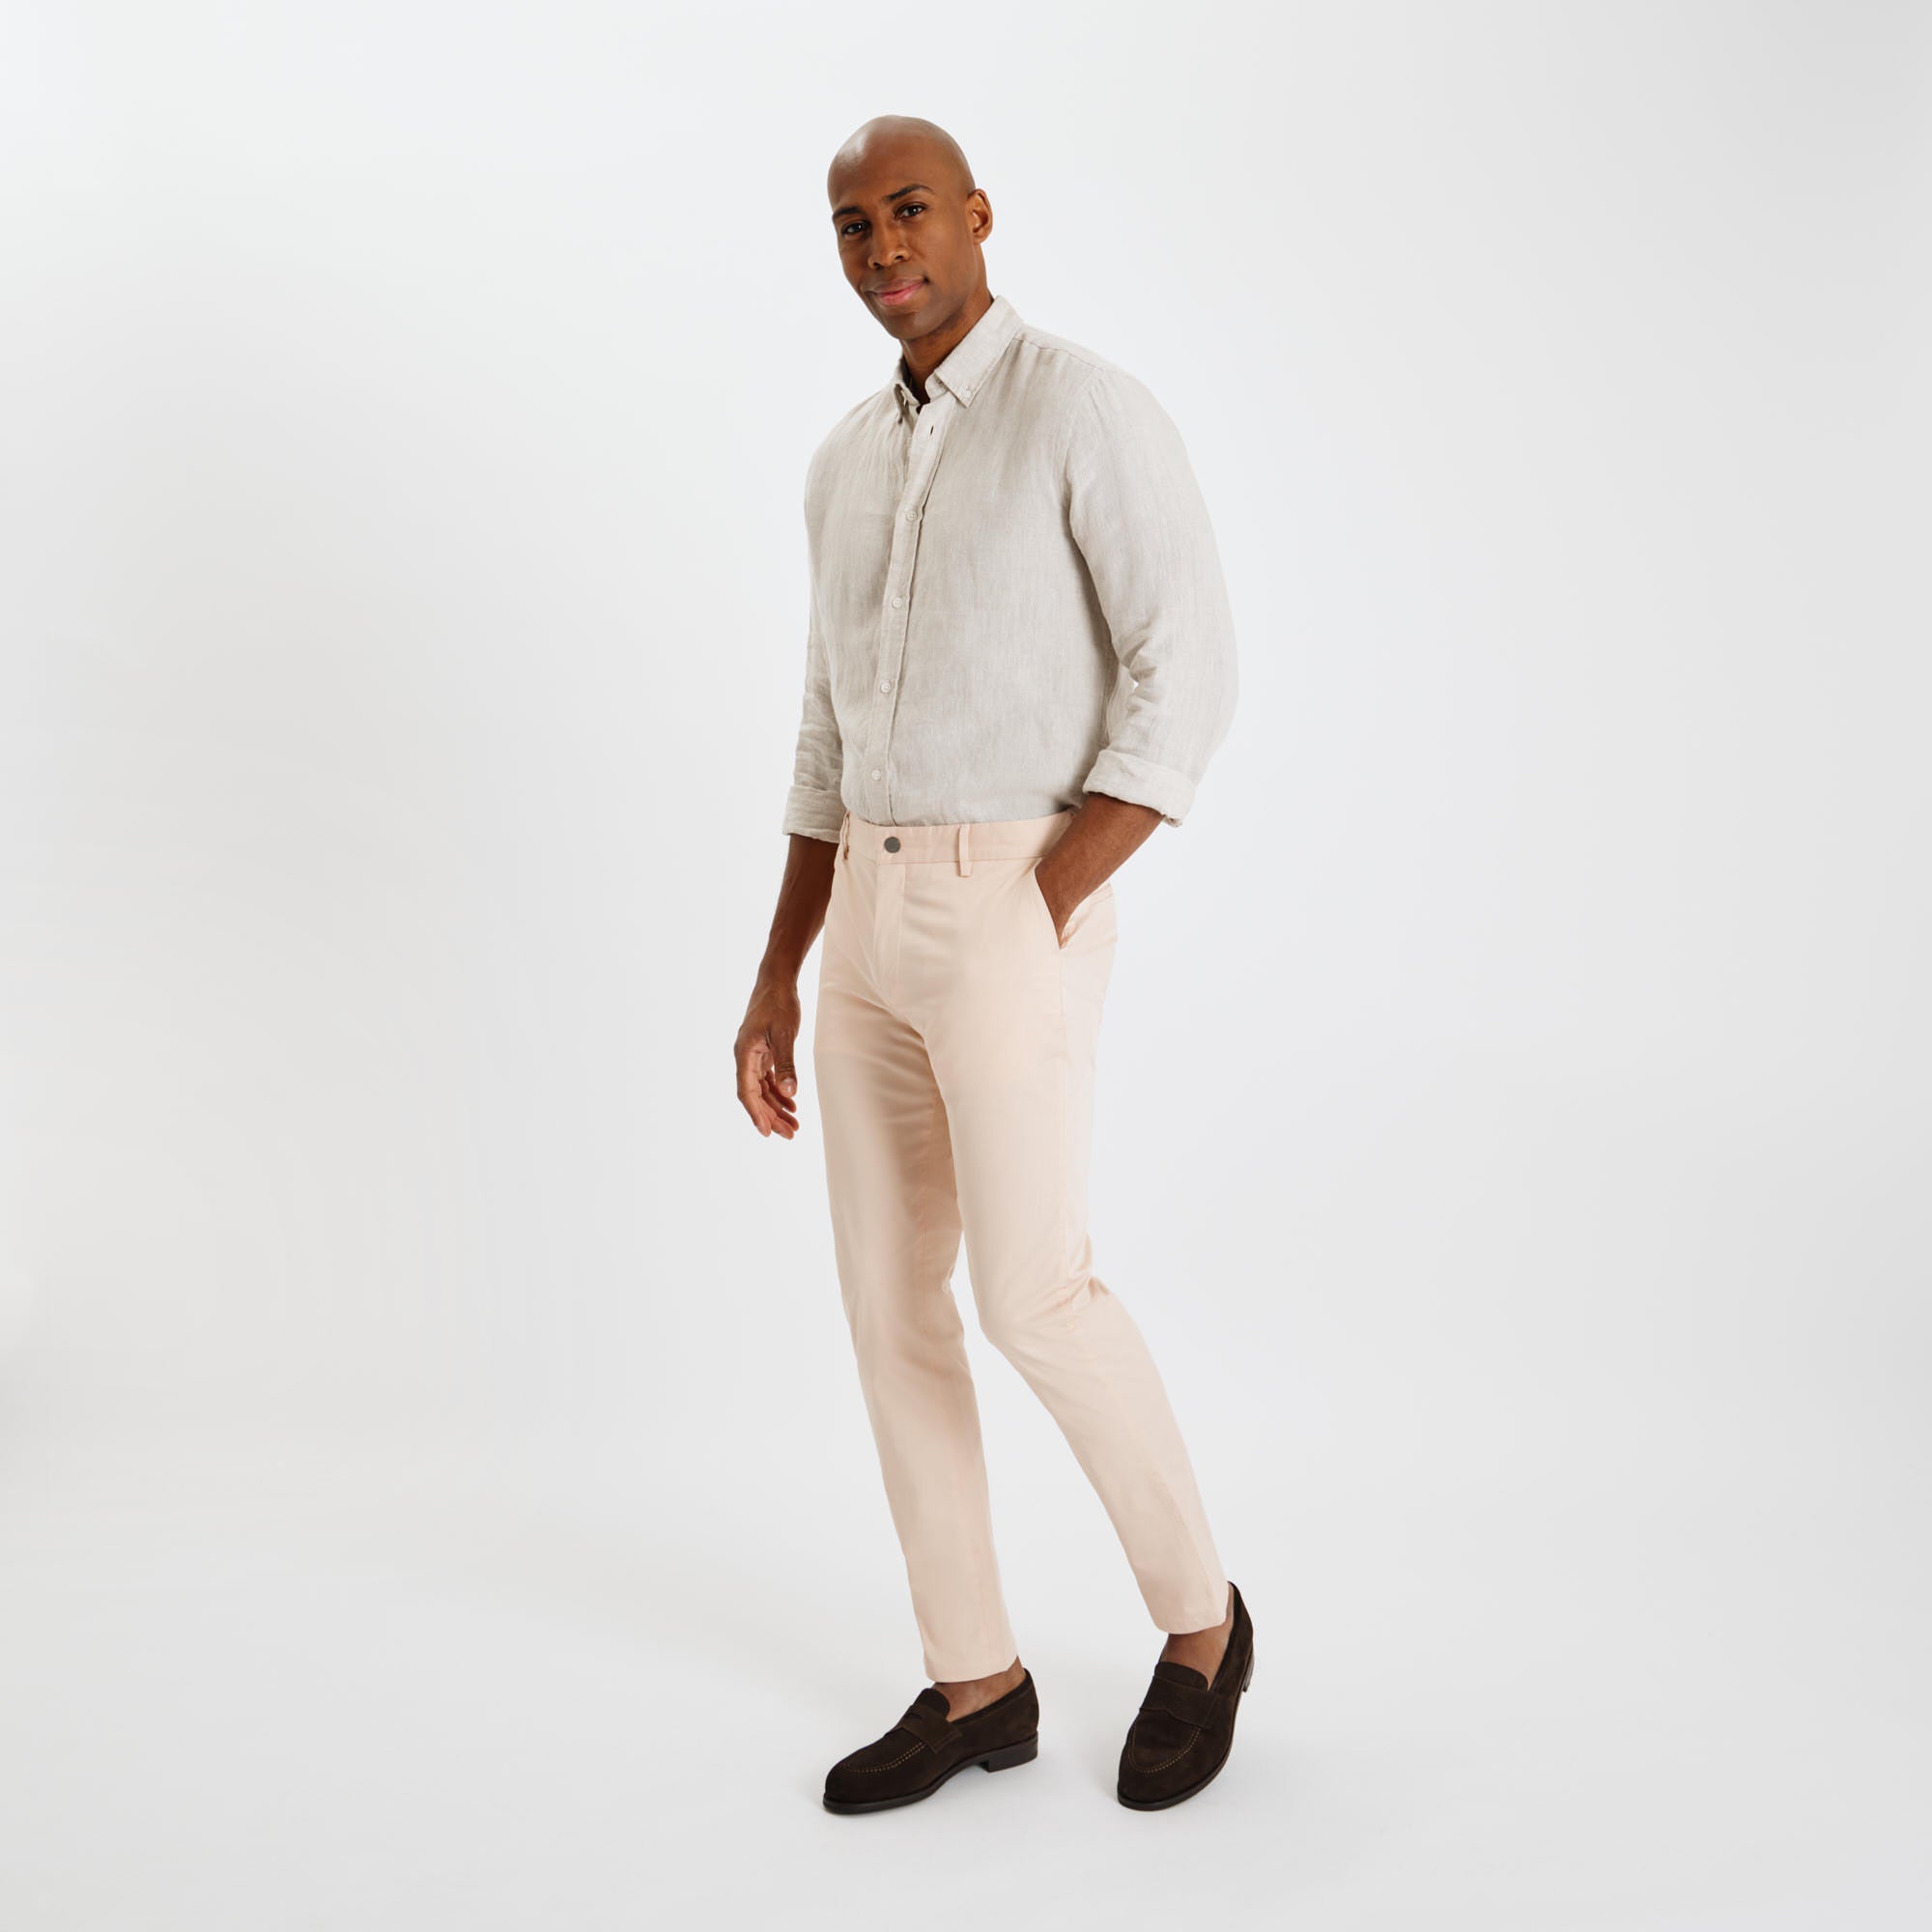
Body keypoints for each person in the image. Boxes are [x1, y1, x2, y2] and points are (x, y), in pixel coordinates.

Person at [734, 114, 1254, 1813]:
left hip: (1009, 894)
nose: (882, 248)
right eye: (849, 226)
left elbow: (1187, 672)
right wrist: (776, 974)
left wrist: (1044, 902)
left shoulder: (1078, 407)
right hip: (867, 932)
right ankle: (978, 1683)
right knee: (892, 1310)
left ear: (971, 218)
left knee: (1034, 1290)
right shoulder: (840, 463)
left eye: (907, 213)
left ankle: (1199, 1627)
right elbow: (823, 735)